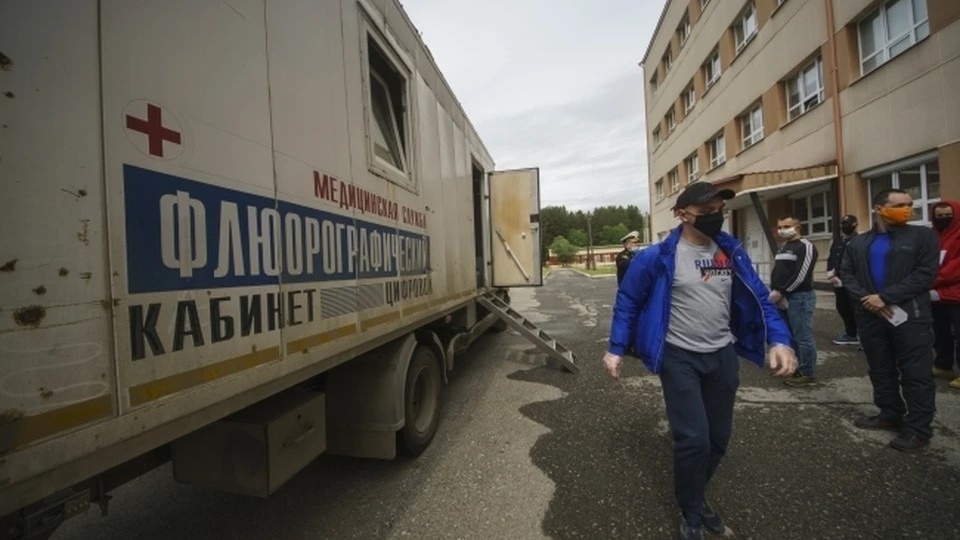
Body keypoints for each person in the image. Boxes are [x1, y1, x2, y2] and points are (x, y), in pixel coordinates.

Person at [603, 182, 797, 540]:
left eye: (718, 210)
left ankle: (695, 492)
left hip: (722, 354)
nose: (715, 217)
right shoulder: (657, 257)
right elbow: (627, 302)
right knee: (694, 438)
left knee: (718, 438)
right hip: (680, 357)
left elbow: (759, 298)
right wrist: (616, 348)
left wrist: (781, 340)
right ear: (682, 214)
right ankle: (691, 508)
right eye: (706, 212)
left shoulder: (731, 252)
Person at [839, 188, 939, 452]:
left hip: (910, 316)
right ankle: (889, 414)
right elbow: (846, 274)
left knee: (916, 373)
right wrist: (867, 300)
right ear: (878, 209)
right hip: (870, 316)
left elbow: (925, 274)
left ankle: (918, 429)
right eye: (899, 205)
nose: (907, 209)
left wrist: (885, 297)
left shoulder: (923, 236)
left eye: (909, 204)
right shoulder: (858, 243)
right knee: (880, 368)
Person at [770, 215, 819, 386]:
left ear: (797, 228)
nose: (782, 230)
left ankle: (807, 372)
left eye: (786, 226)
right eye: (780, 227)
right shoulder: (784, 247)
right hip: (782, 297)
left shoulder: (805, 246)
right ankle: (794, 366)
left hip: (800, 297)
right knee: (790, 334)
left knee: (803, 336)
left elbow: (801, 275)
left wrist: (782, 291)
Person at [930, 200, 960, 390]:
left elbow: (954, 269)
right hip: (936, 295)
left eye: (947, 215)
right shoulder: (933, 236)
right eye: (939, 216)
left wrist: (932, 280)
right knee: (940, 333)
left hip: (956, 295)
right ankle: (943, 365)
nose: (943, 219)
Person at [826, 215, 860, 345]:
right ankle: (851, 333)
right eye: (843, 224)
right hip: (838, 281)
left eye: (848, 223)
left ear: (855, 224)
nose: (844, 226)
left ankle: (860, 334)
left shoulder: (859, 240)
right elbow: (832, 258)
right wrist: (830, 273)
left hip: (853, 282)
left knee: (856, 308)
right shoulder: (838, 241)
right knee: (842, 307)